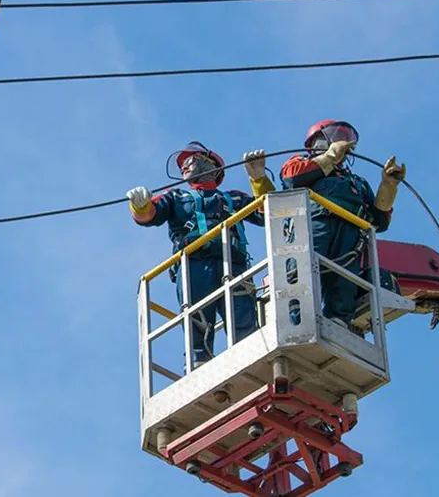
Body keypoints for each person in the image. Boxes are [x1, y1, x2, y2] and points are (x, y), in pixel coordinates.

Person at [127, 142, 264, 369]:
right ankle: (200, 361)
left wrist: (259, 180)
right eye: (183, 165)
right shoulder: (177, 197)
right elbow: (151, 214)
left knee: (242, 313)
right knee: (197, 316)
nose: (185, 167)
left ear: (211, 165)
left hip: (233, 263)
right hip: (194, 264)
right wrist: (139, 207)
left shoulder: (234, 199)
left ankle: (251, 357)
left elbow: (268, 212)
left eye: (191, 160)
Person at [272, 120, 405, 330]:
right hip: (314, 222)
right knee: (305, 268)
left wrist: (388, 186)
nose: (342, 141)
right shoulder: (301, 163)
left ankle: (339, 321)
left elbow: (379, 220)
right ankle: (298, 319)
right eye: (336, 135)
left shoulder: (356, 182)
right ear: (316, 141)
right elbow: (292, 179)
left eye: (346, 136)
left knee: (344, 279)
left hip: (350, 232)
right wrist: (330, 157)